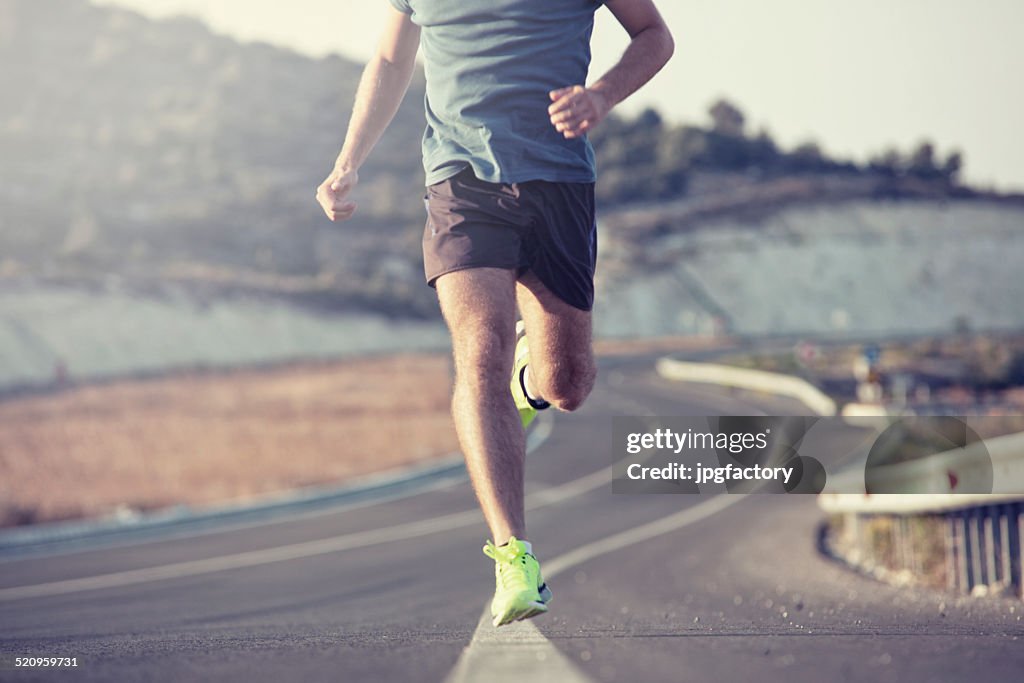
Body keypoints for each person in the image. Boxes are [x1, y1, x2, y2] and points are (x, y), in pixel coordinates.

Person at [316, 0, 673, 627]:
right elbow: (390, 57)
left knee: (568, 385)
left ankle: (528, 383)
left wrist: (601, 96)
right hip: (461, 183)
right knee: (479, 352)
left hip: (559, 182)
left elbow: (654, 35)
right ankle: (514, 556)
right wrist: (347, 164)